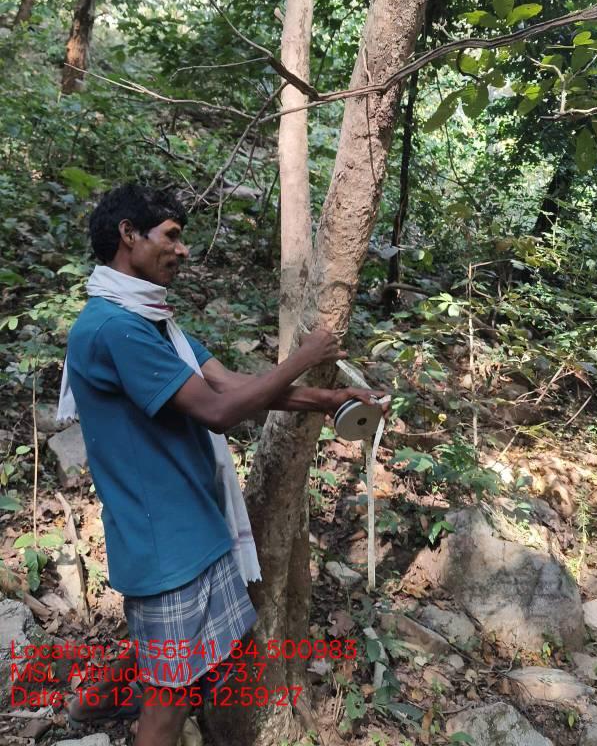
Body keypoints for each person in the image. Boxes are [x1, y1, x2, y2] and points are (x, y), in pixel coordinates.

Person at [61, 183, 383, 746]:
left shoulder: (150, 320)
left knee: (175, 660)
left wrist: (329, 399)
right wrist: (304, 357)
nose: (183, 250)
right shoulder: (115, 328)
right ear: (129, 235)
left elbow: (231, 385)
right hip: (163, 541)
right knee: (170, 698)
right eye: (171, 236)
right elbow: (219, 412)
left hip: (192, 524)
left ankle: (88, 708)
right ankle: (98, 710)